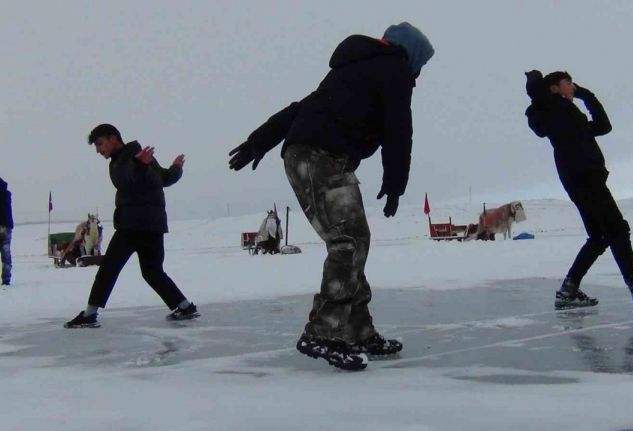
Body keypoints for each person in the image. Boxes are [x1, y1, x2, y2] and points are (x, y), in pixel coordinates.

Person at [229, 22, 434, 370]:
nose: (418, 73)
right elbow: (399, 128)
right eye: (420, 65)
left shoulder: (353, 71)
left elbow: (299, 108)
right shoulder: (393, 68)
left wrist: (259, 140)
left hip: (311, 156)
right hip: (318, 157)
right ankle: (322, 331)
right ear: (410, 53)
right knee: (348, 242)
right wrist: (396, 182)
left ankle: (357, 329)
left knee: (355, 240)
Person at [524, 70, 633, 313]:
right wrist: (535, 79)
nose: (573, 86)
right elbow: (537, 95)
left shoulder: (570, 115)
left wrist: (588, 96)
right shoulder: (550, 108)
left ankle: (568, 290)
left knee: (599, 237)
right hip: (583, 177)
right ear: (553, 89)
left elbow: (604, 126)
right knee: (617, 229)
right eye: (569, 83)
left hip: (583, 178)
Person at [64, 124, 199, 328]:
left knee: (109, 268)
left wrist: (144, 166)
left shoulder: (125, 160)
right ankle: (184, 306)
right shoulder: (137, 156)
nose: (99, 150)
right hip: (153, 225)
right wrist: (176, 168)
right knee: (152, 271)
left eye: (100, 144)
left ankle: (90, 314)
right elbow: (163, 178)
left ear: (113, 138)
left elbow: (129, 178)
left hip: (133, 225)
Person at [0, 177, 13, 286]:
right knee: (6, 256)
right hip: (7, 228)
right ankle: (6, 280)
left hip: (4, 226)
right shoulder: (7, 194)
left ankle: (6, 279)